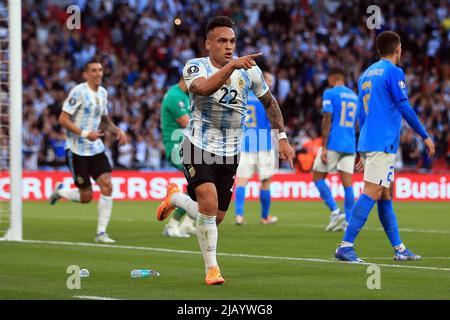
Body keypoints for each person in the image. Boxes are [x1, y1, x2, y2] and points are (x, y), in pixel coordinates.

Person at [156, 16, 295, 285]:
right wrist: (232, 66)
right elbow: (204, 89)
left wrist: (283, 137)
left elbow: (270, 103)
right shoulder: (195, 67)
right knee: (207, 203)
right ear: (208, 44)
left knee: (214, 217)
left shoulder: (250, 71)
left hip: (230, 151)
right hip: (197, 145)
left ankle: (175, 198)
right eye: (222, 41)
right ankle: (212, 270)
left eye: (232, 41)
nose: (229, 46)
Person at [335, 31, 435, 262]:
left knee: (385, 194)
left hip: (371, 140)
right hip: (382, 142)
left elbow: (361, 113)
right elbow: (405, 107)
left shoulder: (365, 74)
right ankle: (345, 246)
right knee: (372, 191)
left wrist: (361, 145)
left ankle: (399, 249)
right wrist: (424, 135)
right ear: (398, 48)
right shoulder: (393, 72)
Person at [48, 60, 127, 243]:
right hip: (76, 150)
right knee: (86, 197)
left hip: (96, 148)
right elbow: (63, 118)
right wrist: (85, 133)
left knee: (107, 185)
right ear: (86, 74)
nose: (98, 73)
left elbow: (104, 120)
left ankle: (101, 233)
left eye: (100, 70)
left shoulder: (103, 93)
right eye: (93, 70)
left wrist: (117, 131)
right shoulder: (78, 92)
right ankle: (60, 192)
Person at [312, 68, 358, 232]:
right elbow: (358, 125)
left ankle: (335, 211)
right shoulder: (354, 96)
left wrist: (324, 146)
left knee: (317, 176)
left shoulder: (330, 93)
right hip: (350, 144)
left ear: (332, 79)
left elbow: (327, 119)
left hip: (334, 142)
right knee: (348, 184)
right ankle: (348, 221)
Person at [234, 68, 278, 225]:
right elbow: (275, 121)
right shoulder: (267, 99)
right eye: (270, 80)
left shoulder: (242, 97)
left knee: (242, 181)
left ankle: (239, 216)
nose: (271, 84)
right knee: (265, 181)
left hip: (246, 143)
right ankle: (265, 217)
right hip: (264, 143)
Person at [160, 78, 196, 237]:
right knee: (201, 181)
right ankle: (172, 222)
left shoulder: (187, 95)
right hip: (176, 147)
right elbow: (187, 123)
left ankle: (187, 223)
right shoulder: (174, 96)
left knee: (201, 185)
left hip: (189, 146)